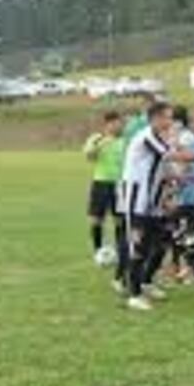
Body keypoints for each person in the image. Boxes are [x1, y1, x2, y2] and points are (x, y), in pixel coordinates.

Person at [119, 101, 194, 311]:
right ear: (154, 119)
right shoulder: (148, 136)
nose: (170, 122)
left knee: (161, 242)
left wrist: (177, 179)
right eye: (167, 117)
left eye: (172, 117)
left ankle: (145, 282)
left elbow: (162, 167)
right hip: (136, 200)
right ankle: (134, 294)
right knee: (137, 246)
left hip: (154, 200)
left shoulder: (159, 138)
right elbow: (176, 156)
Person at [83, 110, 127, 288]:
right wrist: (98, 145)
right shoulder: (96, 138)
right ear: (108, 124)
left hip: (119, 184)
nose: (120, 126)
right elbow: (89, 157)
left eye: (121, 123)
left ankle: (118, 252)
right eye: (117, 123)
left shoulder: (124, 141)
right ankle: (98, 251)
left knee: (119, 220)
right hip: (100, 183)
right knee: (96, 220)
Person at [171, 105, 194, 284]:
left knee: (188, 232)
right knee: (181, 231)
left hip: (190, 194)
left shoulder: (185, 137)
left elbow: (186, 163)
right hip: (189, 192)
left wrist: (174, 187)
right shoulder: (183, 136)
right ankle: (183, 267)